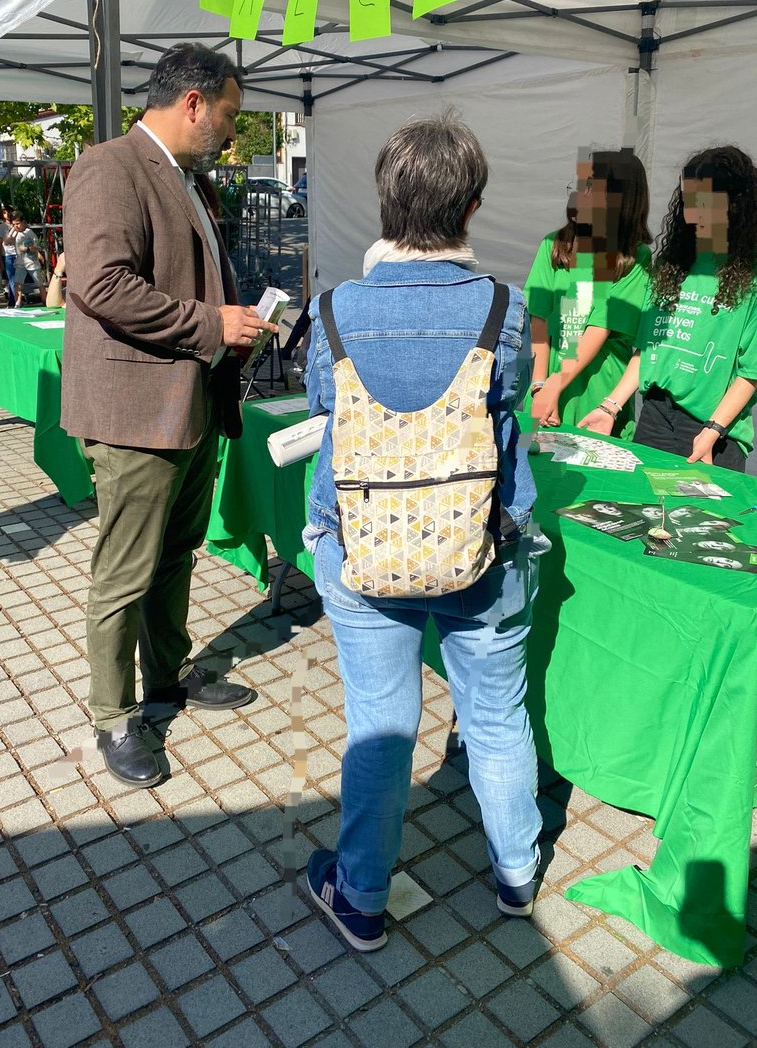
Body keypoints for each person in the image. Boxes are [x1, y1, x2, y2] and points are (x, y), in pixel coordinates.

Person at [302, 113, 544, 951]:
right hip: (483, 549)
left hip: (362, 548)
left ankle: (362, 895)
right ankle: (517, 876)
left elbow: (324, 416)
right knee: (499, 716)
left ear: (384, 203)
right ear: (472, 207)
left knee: (381, 719)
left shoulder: (333, 311)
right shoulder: (507, 311)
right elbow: (511, 420)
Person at [61, 42, 277, 788]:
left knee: (176, 554)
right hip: (134, 416)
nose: (231, 131)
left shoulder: (185, 180)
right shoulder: (110, 166)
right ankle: (113, 720)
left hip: (186, 409)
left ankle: (166, 680)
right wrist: (212, 325)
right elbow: (103, 285)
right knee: (125, 572)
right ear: (192, 102)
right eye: (229, 114)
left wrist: (235, 325)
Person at [580, 146, 757, 471]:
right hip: (655, 417)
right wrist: (609, 407)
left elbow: (751, 373)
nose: (694, 215)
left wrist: (714, 430)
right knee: (645, 517)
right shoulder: (672, 266)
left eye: (706, 204)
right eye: (690, 203)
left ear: (735, 205)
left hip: (714, 433)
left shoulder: (750, 278)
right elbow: (647, 351)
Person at [525, 150, 652, 432]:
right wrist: (539, 386)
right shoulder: (553, 245)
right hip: (543, 392)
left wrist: (555, 386)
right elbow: (539, 321)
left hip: (595, 400)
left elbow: (600, 327)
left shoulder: (636, 257)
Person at [11, 213, 47, 307]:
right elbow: (6, 241)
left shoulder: (29, 232)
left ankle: (45, 301)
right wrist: (12, 231)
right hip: (20, 262)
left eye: (18, 223)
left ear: (23, 222)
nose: (16, 226)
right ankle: (17, 303)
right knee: (17, 283)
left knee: (39, 283)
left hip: (31, 262)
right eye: (14, 224)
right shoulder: (14, 232)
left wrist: (27, 248)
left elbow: (37, 247)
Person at [0, 204, 17, 306]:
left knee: (17, 279)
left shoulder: (17, 224)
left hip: (18, 254)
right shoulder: (1, 227)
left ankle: (14, 300)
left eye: (9, 212)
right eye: (4, 212)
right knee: (11, 279)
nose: (7, 214)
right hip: (7, 255)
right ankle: (14, 301)